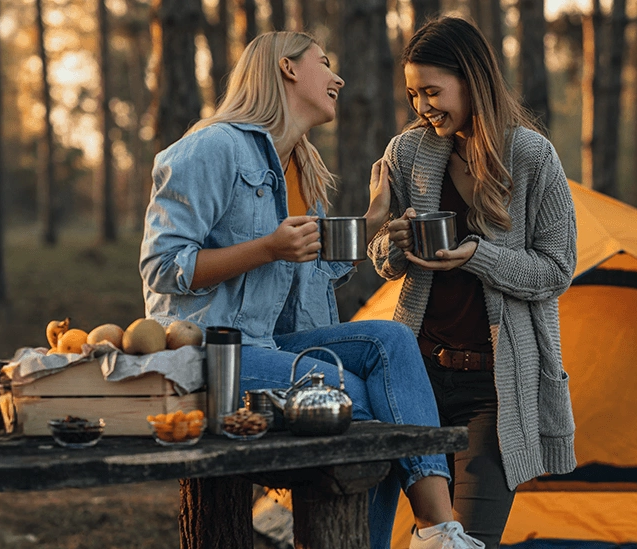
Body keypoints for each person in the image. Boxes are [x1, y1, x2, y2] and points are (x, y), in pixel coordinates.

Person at [138, 31, 482, 549]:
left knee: (391, 341)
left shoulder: (301, 165)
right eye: (325, 62)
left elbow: (306, 281)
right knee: (370, 404)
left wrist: (371, 223)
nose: (338, 76)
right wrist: (267, 248)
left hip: (274, 348)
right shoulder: (213, 148)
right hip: (214, 355)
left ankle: (437, 530)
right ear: (288, 69)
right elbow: (162, 268)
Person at [370, 16, 579, 548]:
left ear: (472, 80)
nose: (422, 107)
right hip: (417, 379)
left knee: (469, 539)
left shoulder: (532, 157)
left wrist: (476, 257)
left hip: (495, 387)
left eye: (433, 91)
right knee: (435, 536)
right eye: (414, 93)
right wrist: (389, 243)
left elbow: (557, 269)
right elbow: (384, 261)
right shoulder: (408, 152)